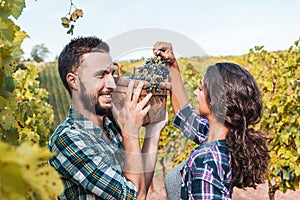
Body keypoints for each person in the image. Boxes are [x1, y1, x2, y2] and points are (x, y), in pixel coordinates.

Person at [48, 36, 166, 200]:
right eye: (100, 75)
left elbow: (141, 187)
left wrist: (153, 130)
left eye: (111, 73)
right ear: (73, 81)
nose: (111, 84)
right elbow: (134, 197)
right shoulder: (67, 140)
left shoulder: (112, 128)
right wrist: (130, 131)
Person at [153, 42, 270, 199]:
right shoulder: (223, 138)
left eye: (201, 89)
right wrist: (172, 65)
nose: (195, 93)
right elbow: (184, 115)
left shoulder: (206, 160)